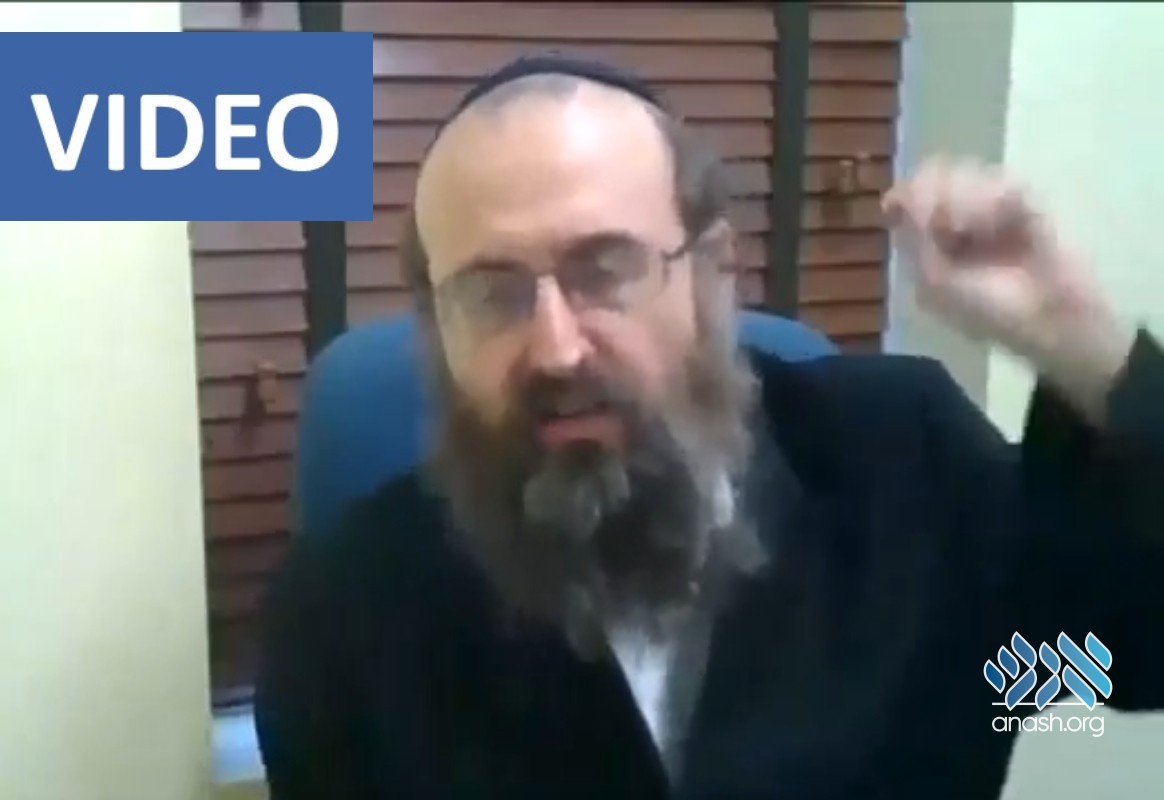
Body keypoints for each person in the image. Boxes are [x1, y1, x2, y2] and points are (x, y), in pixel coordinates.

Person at [254, 56, 1164, 799]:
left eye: (605, 268)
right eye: (492, 295)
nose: (558, 349)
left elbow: (1136, 655)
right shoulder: (342, 614)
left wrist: (1085, 346)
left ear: (713, 272)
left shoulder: (906, 472)